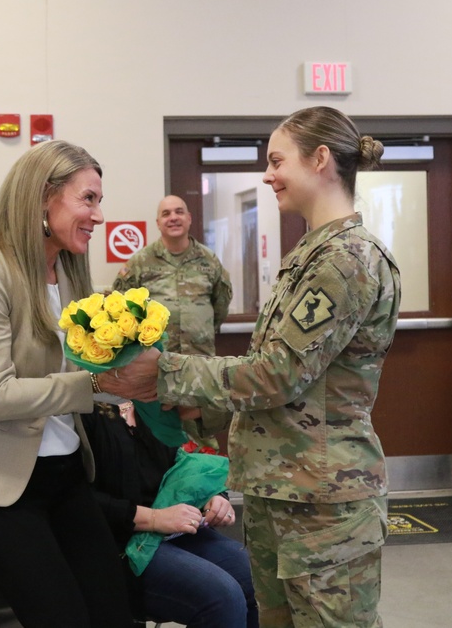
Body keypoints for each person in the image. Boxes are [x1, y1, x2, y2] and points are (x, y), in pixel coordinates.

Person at [156, 107, 401, 627]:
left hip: (324, 501)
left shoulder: (344, 259)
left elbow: (276, 374)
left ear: (320, 159)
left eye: (275, 160)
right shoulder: (310, 254)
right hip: (283, 490)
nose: (267, 175)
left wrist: (165, 371)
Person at [0, 140, 159, 628]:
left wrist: (142, 374)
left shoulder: (72, 270)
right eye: (88, 199)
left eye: (99, 200)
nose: (99, 215)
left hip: (65, 468)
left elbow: (90, 368)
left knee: (114, 614)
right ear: (41, 198)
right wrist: (96, 386)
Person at [81, 399, 258, 628]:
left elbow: (178, 466)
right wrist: (154, 518)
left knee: (256, 579)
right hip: (118, 544)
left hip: (168, 532)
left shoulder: (152, 408)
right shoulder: (83, 414)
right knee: (222, 596)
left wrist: (211, 496)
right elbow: (76, 500)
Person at [113, 195, 233, 447]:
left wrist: (200, 332)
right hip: (156, 369)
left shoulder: (209, 261)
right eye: (166, 214)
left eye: (179, 212)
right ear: (158, 222)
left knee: (201, 439)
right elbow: (121, 312)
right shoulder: (141, 262)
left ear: (189, 219)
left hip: (201, 366)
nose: (173, 217)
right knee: (156, 441)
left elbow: (220, 305)